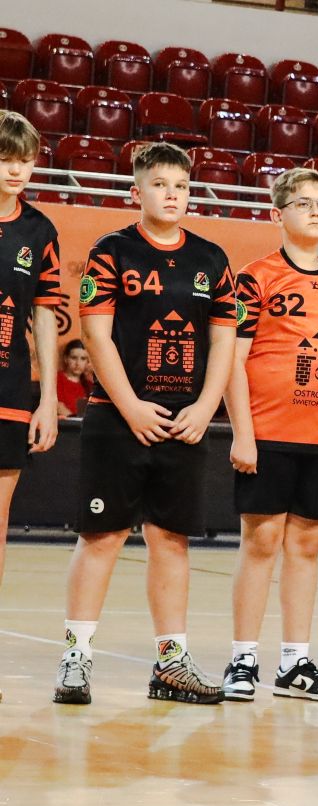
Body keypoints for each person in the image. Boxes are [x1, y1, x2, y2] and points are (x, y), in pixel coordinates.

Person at [54, 142, 236, 705]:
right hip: (118, 418)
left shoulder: (212, 259)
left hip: (185, 421)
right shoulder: (112, 251)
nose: (172, 195)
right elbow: (96, 335)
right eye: (160, 184)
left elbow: (224, 341)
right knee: (101, 537)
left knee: (171, 540)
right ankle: (77, 658)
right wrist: (130, 405)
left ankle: (170, 665)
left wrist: (207, 406)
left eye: (181, 186)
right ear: (137, 192)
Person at [221, 167, 318, 702]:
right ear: (277, 214)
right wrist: (242, 433)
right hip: (267, 433)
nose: (316, 212)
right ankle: (243, 659)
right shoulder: (255, 277)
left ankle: (295, 663)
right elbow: (233, 360)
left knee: (306, 546)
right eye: (304, 203)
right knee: (261, 542)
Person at [0, 111, 61, 703]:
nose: (16, 169)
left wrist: (47, 395)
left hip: (10, 390)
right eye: (5, 158)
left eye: (25, 159)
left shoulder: (39, 230)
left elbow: (44, 315)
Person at [56, 340, 92, 418]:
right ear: (66, 359)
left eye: (83, 359)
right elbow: (57, 406)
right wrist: (74, 419)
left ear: (87, 361)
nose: (78, 363)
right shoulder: (57, 379)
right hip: (64, 423)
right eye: (74, 358)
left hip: (84, 424)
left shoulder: (89, 385)